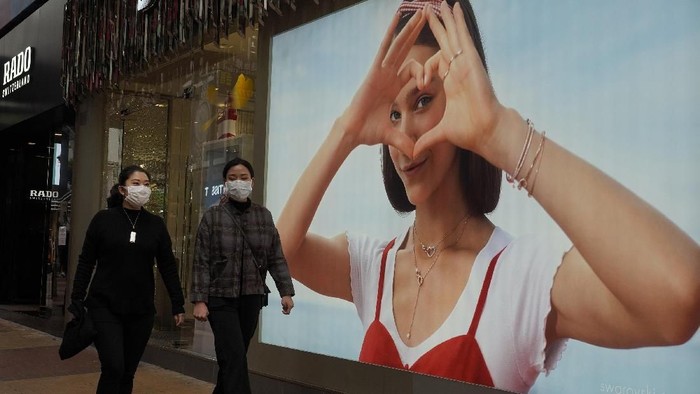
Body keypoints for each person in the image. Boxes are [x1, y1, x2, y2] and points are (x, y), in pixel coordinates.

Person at [275, 1, 700, 392]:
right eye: (392, 112)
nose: (404, 137)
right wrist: (347, 130)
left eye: (423, 101)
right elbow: (278, 253)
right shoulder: (375, 267)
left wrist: (502, 133)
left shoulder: (516, 278)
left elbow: (679, 296)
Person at [70, 165, 186, 393]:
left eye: (146, 184)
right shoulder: (103, 220)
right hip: (104, 306)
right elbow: (86, 261)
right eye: (136, 183)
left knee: (127, 372)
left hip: (140, 309)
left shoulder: (155, 225)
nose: (142, 188)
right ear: (122, 190)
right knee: (113, 366)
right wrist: (77, 297)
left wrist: (177, 302)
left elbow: (167, 266)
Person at [190, 157, 295, 394]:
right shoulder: (213, 216)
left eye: (244, 178)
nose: (239, 182)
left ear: (253, 182)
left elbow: (275, 256)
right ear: (225, 183)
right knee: (235, 358)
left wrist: (285, 291)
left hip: (251, 296)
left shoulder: (263, 216)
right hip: (220, 298)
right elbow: (201, 261)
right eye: (232, 178)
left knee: (232, 360)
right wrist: (199, 300)